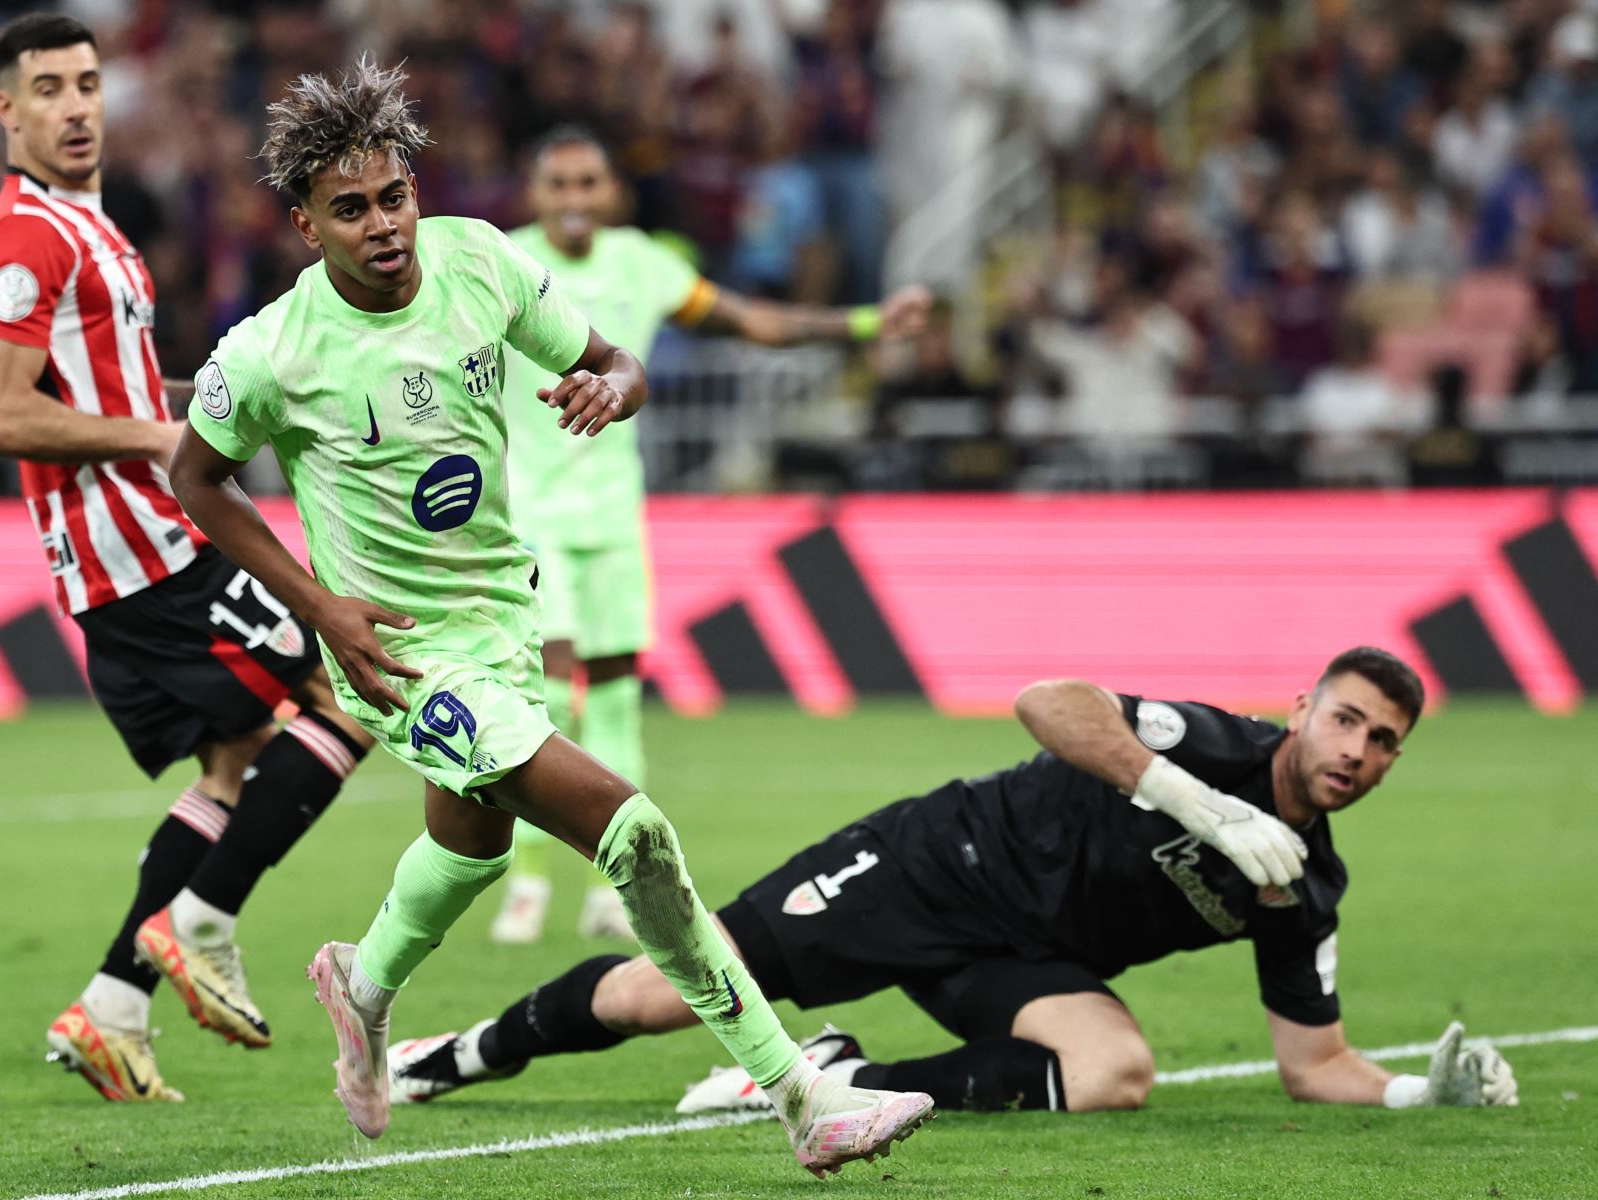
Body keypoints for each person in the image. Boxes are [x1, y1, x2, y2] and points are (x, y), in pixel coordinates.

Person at [166, 58, 932, 1177]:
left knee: (470, 847)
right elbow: (196, 477)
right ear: (305, 224)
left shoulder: (479, 260)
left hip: (501, 618)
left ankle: (363, 982)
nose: (384, 226)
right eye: (351, 209)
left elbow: (611, 360)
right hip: (402, 655)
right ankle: (800, 1094)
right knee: (632, 832)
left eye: (395, 196)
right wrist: (323, 605)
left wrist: (614, 387)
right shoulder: (272, 351)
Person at [388, 647, 1520, 1116]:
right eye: (1345, 721)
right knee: (660, 992)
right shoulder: (1214, 746)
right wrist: (1190, 798)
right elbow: (1048, 704)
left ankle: (841, 1074)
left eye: (1380, 744)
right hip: (938, 865)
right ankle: (450, 1058)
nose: (1355, 753)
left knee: (1116, 1070)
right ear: (1305, 710)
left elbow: (1312, 1061)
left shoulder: (1304, 886)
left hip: (1023, 964)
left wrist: (1422, 1091)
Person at [0, 13, 376, 1103]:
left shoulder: (93, 226)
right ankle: (204, 920)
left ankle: (112, 1006)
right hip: (143, 553)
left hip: (141, 552)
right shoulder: (23, 240)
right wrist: (160, 440)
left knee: (235, 758)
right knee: (354, 685)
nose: (76, 105)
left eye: (88, 83)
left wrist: (231, 409)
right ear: (6, 109)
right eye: (47, 88)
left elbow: (130, 397)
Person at [491, 126, 930, 944]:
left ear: (612, 192)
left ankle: (612, 879)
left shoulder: (643, 264)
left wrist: (867, 325)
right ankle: (526, 881)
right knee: (543, 696)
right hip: (531, 517)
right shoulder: (501, 263)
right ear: (535, 193)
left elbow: (751, 321)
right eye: (560, 185)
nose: (576, 200)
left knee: (617, 700)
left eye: (590, 183)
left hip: (615, 512)